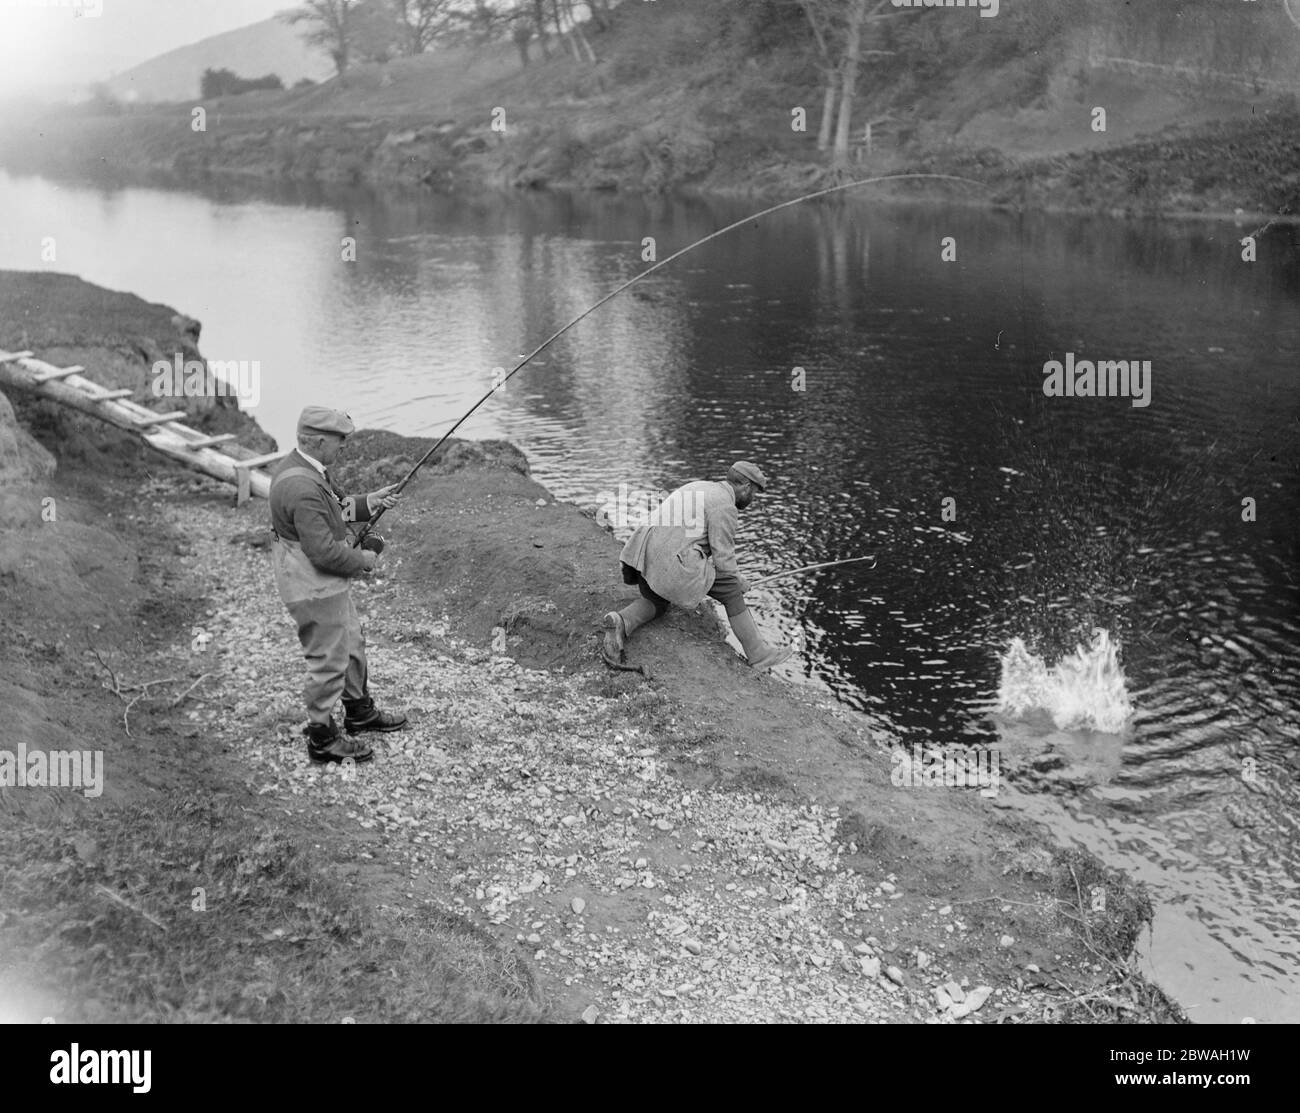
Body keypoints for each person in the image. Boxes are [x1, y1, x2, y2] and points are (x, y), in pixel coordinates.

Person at [269, 406, 409, 764]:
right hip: (312, 585)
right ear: (316, 441)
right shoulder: (301, 485)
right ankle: (321, 737)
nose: (344, 446)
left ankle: (358, 711)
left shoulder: (309, 471)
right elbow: (323, 552)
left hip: (323, 581)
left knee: (351, 641)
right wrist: (364, 559)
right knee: (328, 658)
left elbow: (335, 510)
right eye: (339, 441)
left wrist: (369, 502)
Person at [604, 461, 791, 673]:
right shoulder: (725, 506)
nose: (752, 499)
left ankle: (621, 621)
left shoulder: (698, 486)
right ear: (746, 487)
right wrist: (739, 581)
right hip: (669, 563)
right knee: (730, 588)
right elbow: (724, 558)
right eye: (754, 493)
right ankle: (759, 654)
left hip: (641, 556)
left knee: (658, 602)